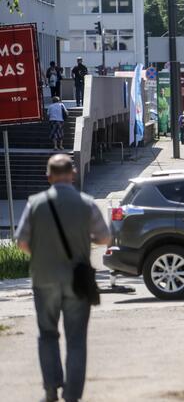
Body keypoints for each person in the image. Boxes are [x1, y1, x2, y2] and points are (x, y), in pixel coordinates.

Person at [14, 154, 111, 402]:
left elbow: (22, 241)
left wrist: (43, 253)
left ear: (48, 177)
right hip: (77, 280)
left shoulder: (35, 203)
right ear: (73, 174)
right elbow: (104, 238)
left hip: (43, 278)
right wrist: (83, 241)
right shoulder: (86, 203)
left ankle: (50, 389)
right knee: (76, 339)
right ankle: (72, 395)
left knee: (47, 334)